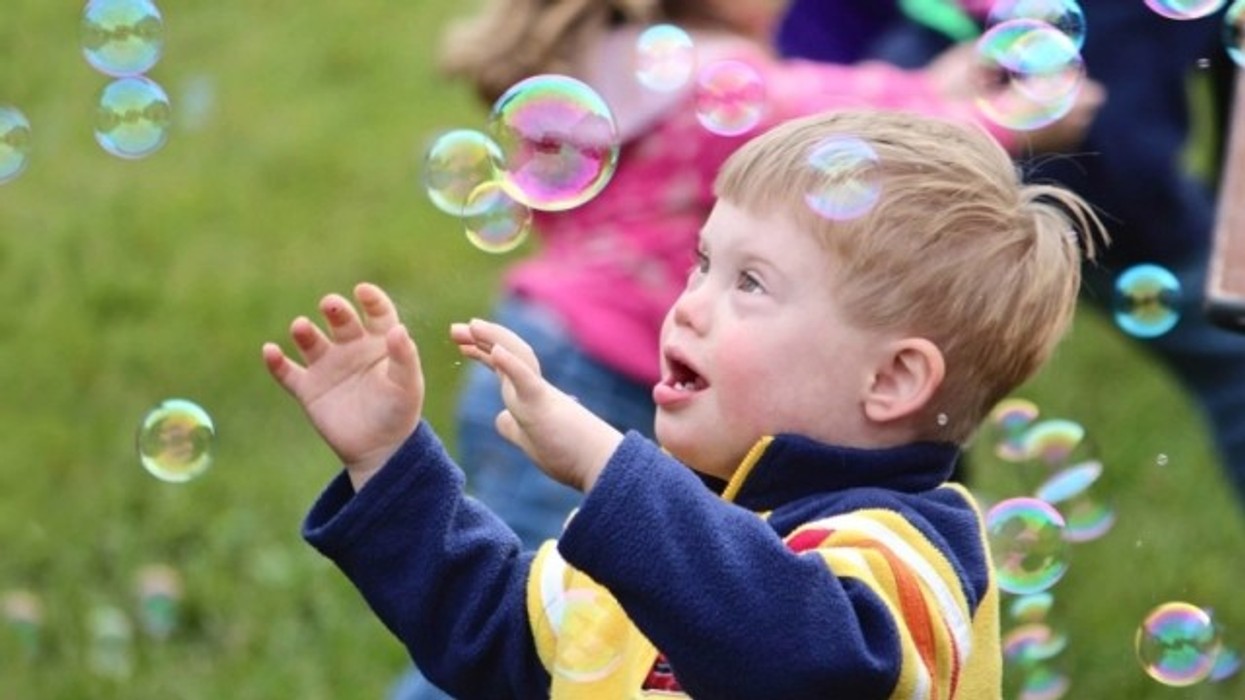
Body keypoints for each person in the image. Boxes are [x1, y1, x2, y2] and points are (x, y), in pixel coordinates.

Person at [262, 108, 1107, 698]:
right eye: (703, 262)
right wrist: (388, 463)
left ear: (888, 381)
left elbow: (799, 657)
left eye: (749, 283)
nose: (690, 300)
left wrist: (604, 465)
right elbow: (493, 637)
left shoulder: (906, 557)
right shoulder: (673, 531)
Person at [777, 1, 1245, 505]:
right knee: (902, 399)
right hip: (1019, 181)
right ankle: (911, 541)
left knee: (903, 391)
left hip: (1102, 186)